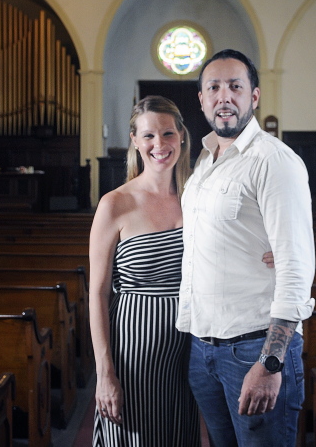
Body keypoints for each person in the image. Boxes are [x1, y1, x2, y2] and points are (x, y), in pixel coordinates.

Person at [177, 49, 316, 447]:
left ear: (254, 96)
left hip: (255, 347)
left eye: (235, 87)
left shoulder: (273, 160)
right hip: (203, 348)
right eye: (214, 88)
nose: (225, 97)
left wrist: (271, 363)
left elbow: (295, 266)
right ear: (201, 99)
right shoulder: (203, 162)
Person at [88, 95, 201, 447]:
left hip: (190, 347)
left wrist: (271, 251)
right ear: (135, 141)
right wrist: (105, 371)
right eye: (149, 136)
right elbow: (97, 293)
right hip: (135, 351)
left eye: (167, 134)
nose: (159, 144)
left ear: (181, 136)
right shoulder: (115, 203)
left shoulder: (198, 196)